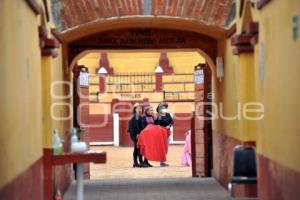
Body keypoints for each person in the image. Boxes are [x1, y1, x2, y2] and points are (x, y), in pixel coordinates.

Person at [128, 103, 147, 168]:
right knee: (138, 148)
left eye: (140, 108)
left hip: (139, 134)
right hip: (136, 134)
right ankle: (139, 162)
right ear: (135, 109)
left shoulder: (139, 116)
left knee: (137, 148)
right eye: (138, 108)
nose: (140, 109)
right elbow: (134, 126)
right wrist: (137, 134)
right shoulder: (135, 116)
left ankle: (136, 162)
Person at [154, 102, 173, 167]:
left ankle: (163, 161)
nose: (164, 109)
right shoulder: (158, 116)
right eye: (162, 108)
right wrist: (163, 127)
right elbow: (157, 125)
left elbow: (172, 122)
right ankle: (162, 161)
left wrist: (169, 126)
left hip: (167, 132)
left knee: (166, 147)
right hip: (161, 133)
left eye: (165, 108)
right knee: (162, 147)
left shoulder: (168, 114)